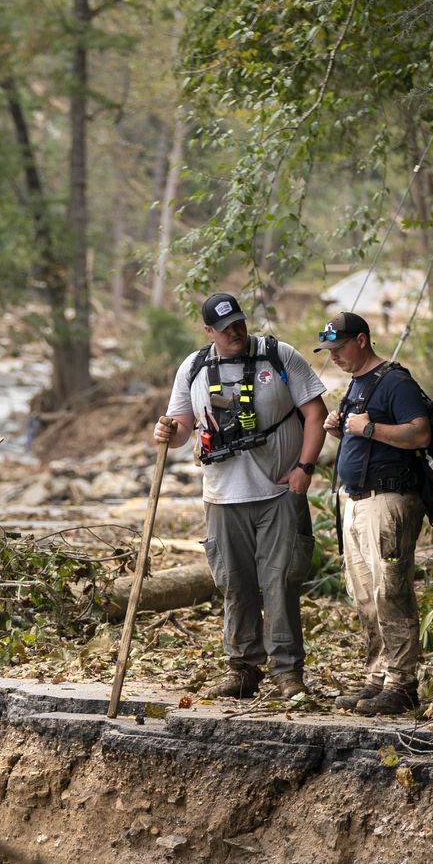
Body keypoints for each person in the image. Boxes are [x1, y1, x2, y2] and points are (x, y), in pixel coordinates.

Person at [153, 293, 327, 699]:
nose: (234, 332)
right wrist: (167, 433)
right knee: (234, 583)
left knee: (281, 582)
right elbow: (181, 428)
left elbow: (316, 414)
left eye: (239, 323)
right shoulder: (194, 367)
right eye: (224, 327)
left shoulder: (278, 356)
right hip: (222, 495)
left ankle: (287, 672)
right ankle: (243, 668)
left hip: (279, 490)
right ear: (208, 331)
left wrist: (304, 467)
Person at [316, 312, 431, 716]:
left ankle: (402, 684)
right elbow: (364, 436)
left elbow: (420, 433)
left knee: (391, 591)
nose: (334, 356)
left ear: (362, 340)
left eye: (339, 348)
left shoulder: (396, 381)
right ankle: (377, 678)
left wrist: (368, 429)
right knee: (365, 594)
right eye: (329, 350)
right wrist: (340, 428)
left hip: (389, 499)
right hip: (357, 500)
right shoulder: (358, 384)